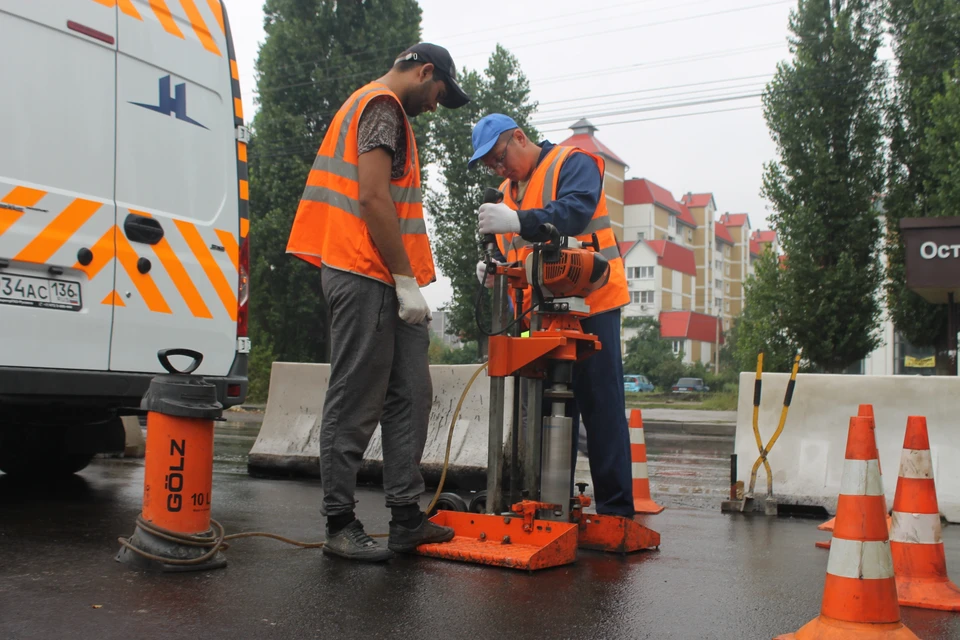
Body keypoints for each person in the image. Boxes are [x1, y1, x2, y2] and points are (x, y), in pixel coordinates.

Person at [286, 43, 471, 561]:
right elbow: (371, 196)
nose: (435, 106)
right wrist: (404, 280)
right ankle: (339, 522)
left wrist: (405, 282)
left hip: (387, 276)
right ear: (425, 71)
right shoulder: (381, 107)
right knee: (355, 396)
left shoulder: (387, 113)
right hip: (363, 270)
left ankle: (406, 517)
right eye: (439, 94)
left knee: (411, 391)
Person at [469, 114, 635, 518]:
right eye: (491, 165)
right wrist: (495, 268)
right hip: (540, 317)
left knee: (601, 407)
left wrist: (518, 220)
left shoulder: (571, 162)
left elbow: (574, 212)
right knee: (547, 413)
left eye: (499, 157)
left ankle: (616, 514)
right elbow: (517, 257)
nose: (499, 169)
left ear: (519, 137)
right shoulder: (504, 197)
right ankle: (550, 508)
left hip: (591, 303)